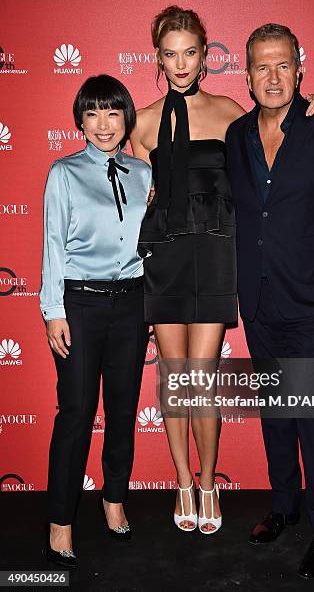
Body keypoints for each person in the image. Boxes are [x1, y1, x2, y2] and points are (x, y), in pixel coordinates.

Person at [131, 6, 314, 535]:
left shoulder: (230, 114)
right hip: (166, 259)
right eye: (169, 54)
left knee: (202, 378)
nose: (180, 63)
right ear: (157, 57)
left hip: (218, 258)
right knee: (174, 379)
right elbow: (139, 200)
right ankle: (183, 481)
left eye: (190, 52)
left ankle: (209, 478)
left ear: (206, 55)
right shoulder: (144, 122)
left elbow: (277, 135)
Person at [225, 24, 314, 578]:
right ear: (247, 73)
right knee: (276, 412)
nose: (272, 76)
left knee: (310, 412)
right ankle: (284, 505)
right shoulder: (237, 134)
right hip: (260, 299)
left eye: (282, 64)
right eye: (261, 66)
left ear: (300, 68)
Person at [40, 74, 151, 567]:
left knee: (124, 411)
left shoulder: (142, 173)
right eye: (93, 113)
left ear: (126, 117)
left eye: (112, 112)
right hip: (79, 305)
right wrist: (53, 310)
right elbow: (53, 246)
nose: (104, 124)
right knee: (77, 413)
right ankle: (60, 520)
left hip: (131, 304)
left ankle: (114, 501)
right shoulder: (63, 172)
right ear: (80, 119)